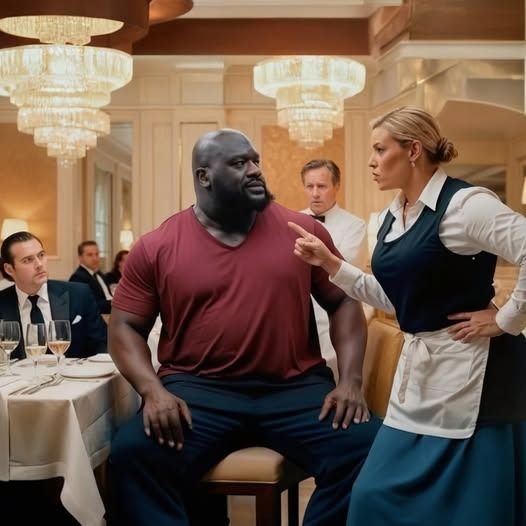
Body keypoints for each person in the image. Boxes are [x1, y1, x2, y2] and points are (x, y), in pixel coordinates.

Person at [107, 129, 381, 525]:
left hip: (295, 389)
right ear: (204, 176)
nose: (254, 170)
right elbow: (124, 326)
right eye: (239, 163)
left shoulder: (303, 232)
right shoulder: (157, 245)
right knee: (132, 455)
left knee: (369, 446)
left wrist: (350, 381)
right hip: (197, 392)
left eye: (255, 161)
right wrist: (151, 391)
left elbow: (344, 302)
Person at [289, 106, 526, 526]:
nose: (371, 161)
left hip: (478, 377)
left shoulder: (466, 206)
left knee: (471, 510)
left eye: (381, 150)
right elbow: (395, 299)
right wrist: (330, 263)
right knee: (371, 495)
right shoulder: (389, 218)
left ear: (413, 150)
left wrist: (506, 320)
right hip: (419, 375)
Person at [300, 159, 368, 375]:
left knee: (337, 378)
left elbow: (342, 271)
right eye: (309, 186)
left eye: (321, 186)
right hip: (299, 316)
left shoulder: (355, 226)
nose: (315, 193)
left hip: (337, 315)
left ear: (337, 186)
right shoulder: (292, 222)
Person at [0, 231, 107, 359]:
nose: (39, 264)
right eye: (28, 260)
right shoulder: (2, 303)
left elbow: (103, 345)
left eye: (41, 255)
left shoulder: (79, 294)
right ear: (9, 269)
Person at [69, 240, 112, 314]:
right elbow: (88, 306)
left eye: (97, 254)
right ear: (80, 258)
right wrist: (115, 303)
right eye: (90, 255)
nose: (95, 258)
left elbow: (107, 296)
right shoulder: (77, 278)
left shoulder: (100, 274)